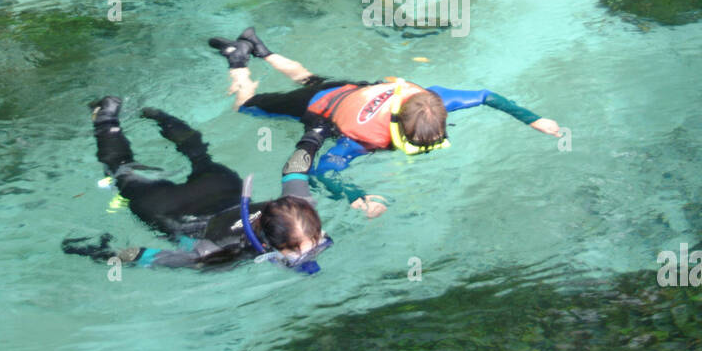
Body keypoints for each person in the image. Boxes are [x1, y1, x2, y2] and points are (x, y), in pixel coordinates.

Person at [207, 27, 562, 219]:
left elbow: (486, 95)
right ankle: (237, 59)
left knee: (307, 75)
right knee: (247, 106)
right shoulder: (360, 141)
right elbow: (320, 173)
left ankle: (260, 47)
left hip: (351, 90)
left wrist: (533, 119)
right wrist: (356, 197)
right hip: (318, 108)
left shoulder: (434, 99)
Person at [62, 96, 332, 273]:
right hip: (170, 211)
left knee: (198, 153)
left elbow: (295, 170)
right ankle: (105, 119)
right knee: (120, 171)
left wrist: (314, 135)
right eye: (296, 252)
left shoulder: (298, 205)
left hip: (219, 188)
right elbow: (140, 255)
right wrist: (97, 252)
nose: (310, 254)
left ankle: (151, 114)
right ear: (272, 245)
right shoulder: (215, 254)